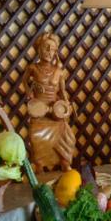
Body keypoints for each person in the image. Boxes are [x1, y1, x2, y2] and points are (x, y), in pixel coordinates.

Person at [22, 32, 76, 172]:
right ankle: (39, 164)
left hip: (55, 111)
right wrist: (29, 91)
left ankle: (64, 161)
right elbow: (24, 81)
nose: (49, 52)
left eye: (52, 49)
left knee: (66, 133)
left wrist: (67, 105)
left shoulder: (59, 70)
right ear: (38, 49)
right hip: (39, 110)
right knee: (35, 134)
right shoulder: (33, 68)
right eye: (46, 47)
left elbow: (63, 92)